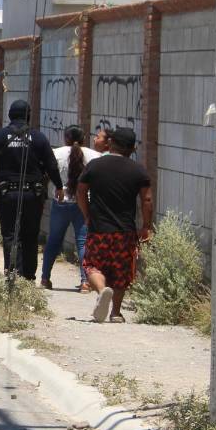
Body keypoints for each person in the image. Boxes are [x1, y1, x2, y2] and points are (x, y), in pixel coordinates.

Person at [0, 100, 63, 281]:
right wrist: (59, 186)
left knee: (10, 235)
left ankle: (13, 274)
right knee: (30, 235)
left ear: (10, 115)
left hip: (7, 194)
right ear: (28, 115)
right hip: (33, 195)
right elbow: (51, 165)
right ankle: (28, 277)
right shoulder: (38, 137)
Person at [76, 126, 154, 323]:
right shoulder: (138, 170)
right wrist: (146, 226)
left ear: (111, 143)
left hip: (98, 229)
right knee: (121, 271)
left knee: (92, 265)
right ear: (133, 148)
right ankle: (116, 313)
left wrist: (86, 214)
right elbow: (147, 200)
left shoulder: (95, 165)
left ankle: (102, 290)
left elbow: (80, 191)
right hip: (125, 231)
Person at [41, 125, 100, 292]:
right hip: (84, 204)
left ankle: (45, 278)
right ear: (84, 138)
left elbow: (46, 174)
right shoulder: (94, 156)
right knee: (83, 243)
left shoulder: (56, 153)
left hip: (60, 202)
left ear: (65, 138)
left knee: (53, 240)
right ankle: (85, 282)